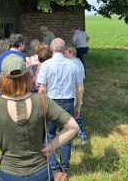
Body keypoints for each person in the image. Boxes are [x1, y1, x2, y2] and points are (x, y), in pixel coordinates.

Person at [0, 54, 79, 181]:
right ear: (27, 77)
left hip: (9, 173)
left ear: (2, 79)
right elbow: (73, 127)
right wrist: (52, 145)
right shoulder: (42, 100)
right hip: (40, 172)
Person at [37, 38, 83, 177]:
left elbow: (42, 89)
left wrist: (41, 106)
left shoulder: (46, 65)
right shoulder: (73, 64)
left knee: (48, 135)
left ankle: (54, 168)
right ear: (63, 49)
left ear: (51, 48)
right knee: (67, 135)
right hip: (69, 101)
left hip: (51, 103)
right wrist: (78, 106)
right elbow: (79, 88)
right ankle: (65, 169)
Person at [64, 46, 88, 144]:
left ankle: (80, 135)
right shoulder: (79, 61)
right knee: (77, 114)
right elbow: (84, 76)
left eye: (65, 54)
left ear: (71, 53)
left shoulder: (72, 64)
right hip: (79, 90)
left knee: (76, 115)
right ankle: (82, 136)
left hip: (74, 91)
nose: (64, 56)